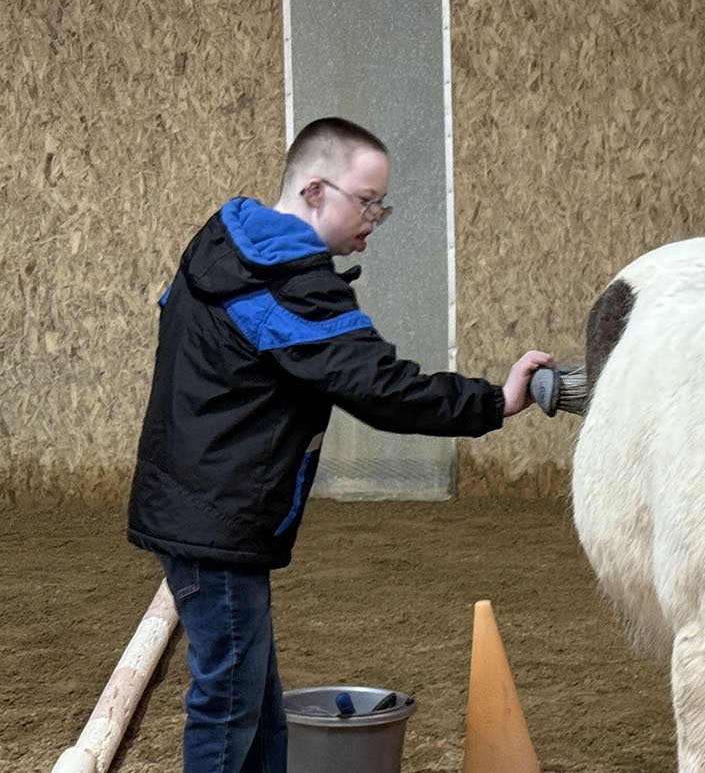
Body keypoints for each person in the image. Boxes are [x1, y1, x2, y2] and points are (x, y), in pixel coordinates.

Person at [126, 116, 551, 773]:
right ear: (315, 191)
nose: (376, 218)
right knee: (228, 703)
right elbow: (380, 388)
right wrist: (496, 401)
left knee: (254, 703)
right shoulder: (288, 283)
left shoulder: (222, 242)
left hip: (194, 506)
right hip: (216, 521)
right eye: (367, 200)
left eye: (382, 203)